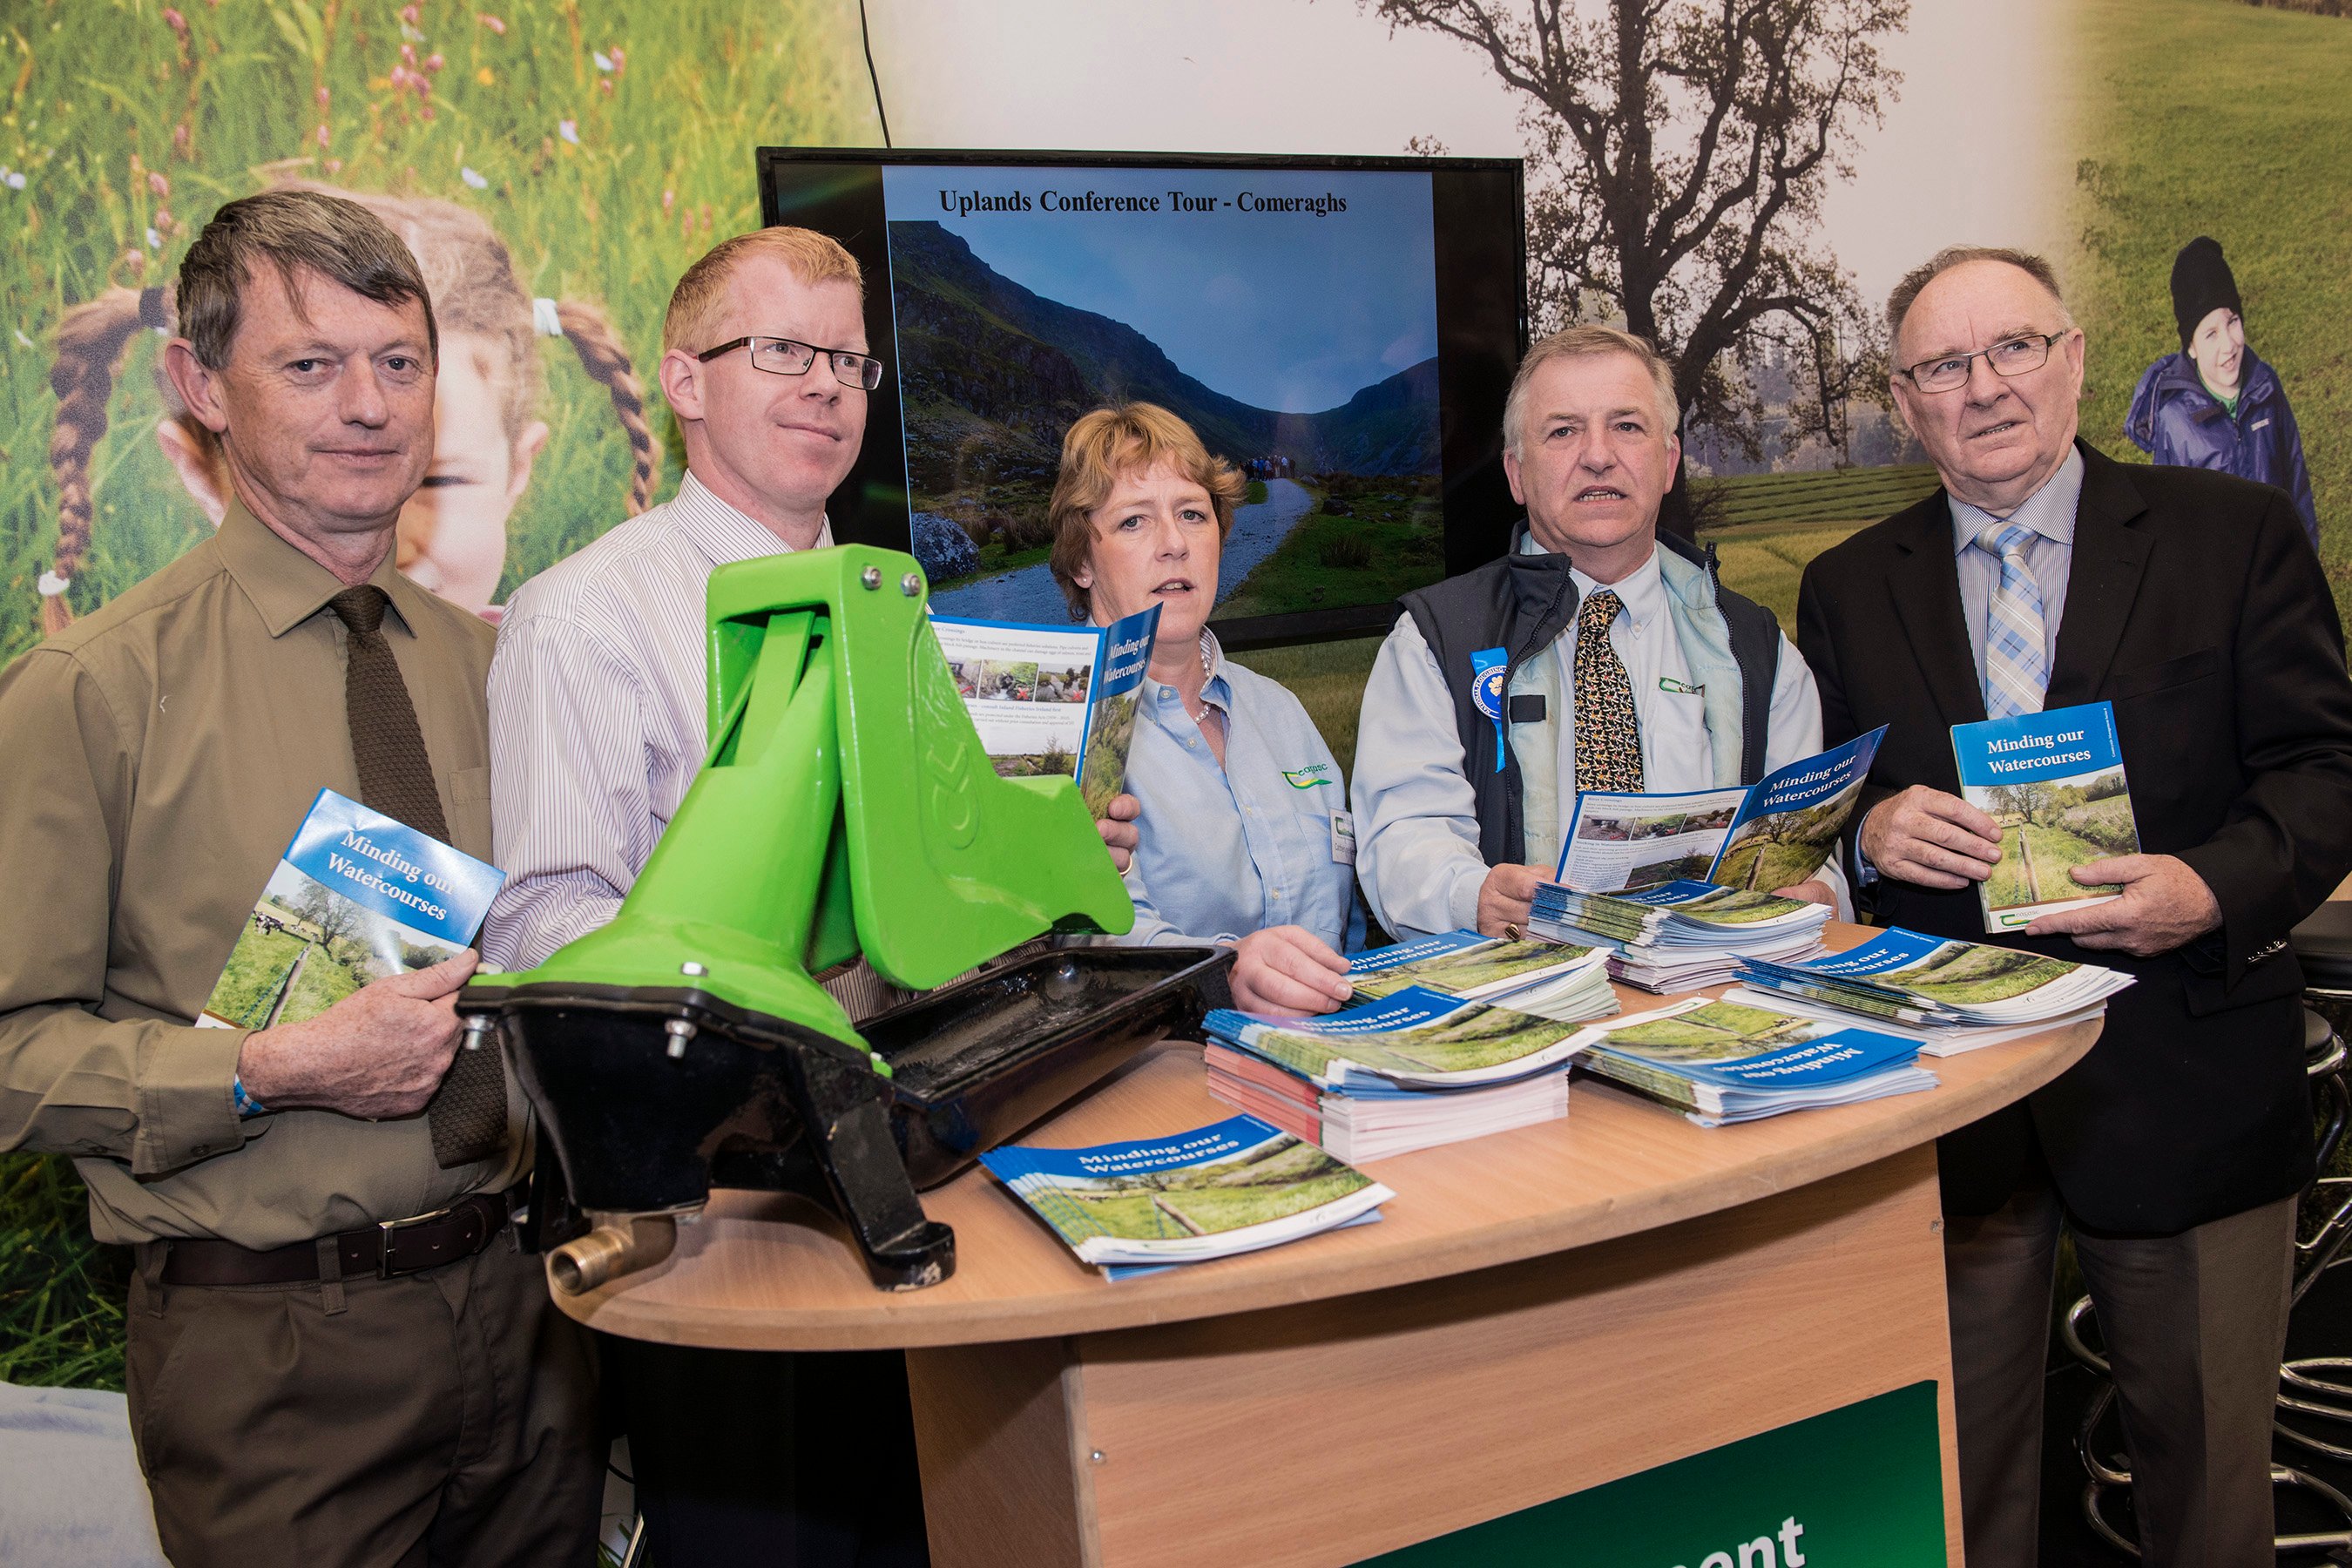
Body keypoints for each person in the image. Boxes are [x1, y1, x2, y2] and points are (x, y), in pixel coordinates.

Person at [483, 226, 1139, 1565]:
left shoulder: (896, 612)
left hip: (927, 1174)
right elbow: (546, 928)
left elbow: (932, 884)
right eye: (784, 351)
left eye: (849, 361)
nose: (828, 387)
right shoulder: (583, 615)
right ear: (683, 380)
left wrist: (1042, 867)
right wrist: (744, 980)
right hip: (728, 1225)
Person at [0, 189, 600, 1567]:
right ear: (200, 385)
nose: (370, 407)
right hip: (274, 1361)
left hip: (532, 1325)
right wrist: (266, 1070)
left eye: (399, 362)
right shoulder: (90, 692)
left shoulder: (501, 665)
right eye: (311, 364)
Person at [1795, 244, 2352, 1568]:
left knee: (2208, 1508)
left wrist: (2207, 887)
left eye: (2014, 348)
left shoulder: (2234, 536)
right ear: (1905, 402)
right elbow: (1820, 815)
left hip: (2187, 1084)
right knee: (1952, 1502)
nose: (1985, 387)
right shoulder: (1847, 586)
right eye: (1944, 366)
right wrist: (1868, 831)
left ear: (2077, 359)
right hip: (1947, 1118)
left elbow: (2325, 770)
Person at [1351, 323, 1842, 943]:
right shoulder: (1432, 641)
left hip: (1711, 987)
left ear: (1669, 462)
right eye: (1563, 431)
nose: (1598, 455)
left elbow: (1809, 845)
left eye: (1627, 426)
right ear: (1516, 474)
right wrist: (1471, 895)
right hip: (1523, 985)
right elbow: (1402, 835)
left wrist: (1819, 892)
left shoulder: (1761, 650)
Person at [42, 183, 655, 629]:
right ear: (201, 471)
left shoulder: (554, 684)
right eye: (316, 470)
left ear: (518, 469)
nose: (387, 542)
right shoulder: (148, 699)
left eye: (438, 481)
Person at [1048, 402, 1361, 1016]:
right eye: (1134, 521)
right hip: (1166, 1061)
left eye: (1192, 514)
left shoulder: (1281, 711)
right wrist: (1221, 976)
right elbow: (1091, 942)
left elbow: (1347, 928)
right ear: (1082, 560)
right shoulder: (1063, 731)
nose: (1174, 545)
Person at [2126, 235, 2318, 552]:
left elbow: (2295, 474)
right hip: (2221, 569)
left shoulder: (2266, 386)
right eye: (2211, 334)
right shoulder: (2175, 420)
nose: (2228, 344)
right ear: (2191, 346)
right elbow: (2172, 519)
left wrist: (2306, 553)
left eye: (2232, 322)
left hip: (2276, 557)